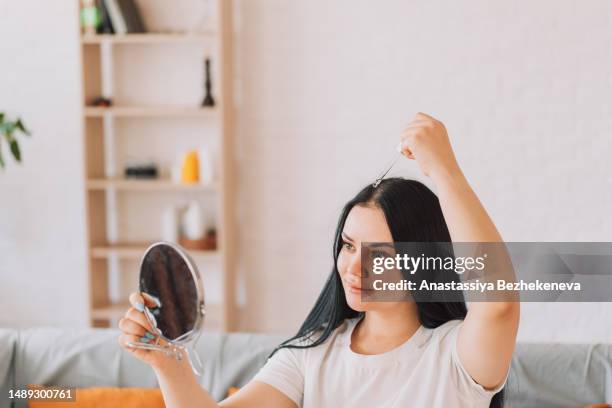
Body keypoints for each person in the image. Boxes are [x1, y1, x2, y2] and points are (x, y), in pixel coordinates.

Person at [118, 112, 520, 407]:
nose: (354, 267)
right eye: (348, 245)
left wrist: (444, 170)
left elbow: (498, 302)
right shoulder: (313, 354)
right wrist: (168, 363)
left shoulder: (452, 356)